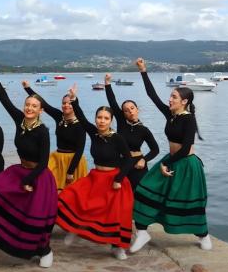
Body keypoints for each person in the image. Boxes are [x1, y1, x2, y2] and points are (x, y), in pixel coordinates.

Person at [130, 58, 211, 253]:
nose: (170, 99)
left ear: (184, 101)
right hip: (171, 160)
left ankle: (203, 235)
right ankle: (142, 232)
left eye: (174, 97)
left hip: (186, 164)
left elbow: (185, 148)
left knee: (188, 202)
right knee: (144, 191)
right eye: (171, 96)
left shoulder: (188, 119)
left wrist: (167, 164)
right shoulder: (171, 115)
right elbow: (151, 95)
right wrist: (143, 71)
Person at [0, 64, 57, 267]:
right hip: (20, 170)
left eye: (34, 106)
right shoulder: (20, 121)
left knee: (35, 217)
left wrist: (29, 180)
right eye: (27, 105)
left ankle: (44, 250)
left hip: (38, 176)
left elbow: (43, 162)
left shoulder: (43, 131)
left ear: (41, 110)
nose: (29, 108)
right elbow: (4, 100)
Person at [56, 84, 134, 260]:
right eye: (99, 117)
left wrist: (119, 178)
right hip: (95, 177)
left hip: (113, 180)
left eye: (106, 118)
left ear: (111, 120)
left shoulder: (117, 138)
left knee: (115, 215)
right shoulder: (94, 133)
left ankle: (118, 247)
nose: (102, 121)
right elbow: (82, 118)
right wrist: (74, 99)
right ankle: (74, 230)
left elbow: (129, 160)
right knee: (69, 197)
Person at [22, 80, 87, 191]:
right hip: (56, 158)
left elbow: (80, 150)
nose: (66, 105)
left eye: (69, 103)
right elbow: (44, 104)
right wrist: (27, 88)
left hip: (73, 161)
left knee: (70, 192)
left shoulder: (80, 124)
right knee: (49, 186)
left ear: (75, 105)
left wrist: (71, 171)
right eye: (64, 103)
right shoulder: (59, 116)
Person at [104, 73, 159, 190]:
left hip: (137, 166)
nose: (131, 112)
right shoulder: (122, 122)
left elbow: (155, 150)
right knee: (118, 195)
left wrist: (144, 160)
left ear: (137, 109)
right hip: (121, 163)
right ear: (123, 114)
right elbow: (112, 102)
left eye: (132, 108)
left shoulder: (144, 130)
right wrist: (107, 83)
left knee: (137, 196)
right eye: (127, 110)